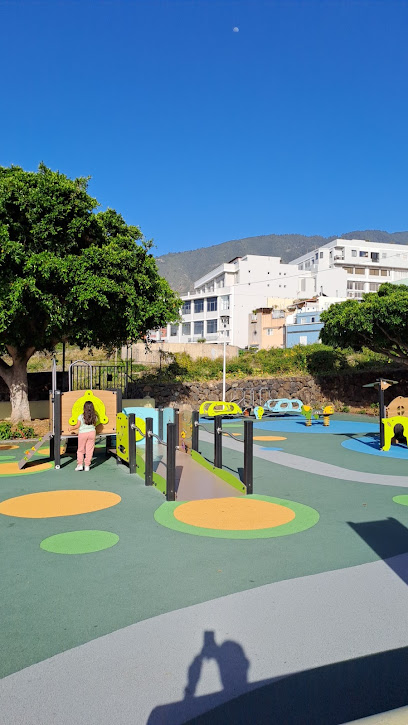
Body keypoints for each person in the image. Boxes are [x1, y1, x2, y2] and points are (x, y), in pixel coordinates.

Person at [70, 401, 98, 471]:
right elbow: (94, 424)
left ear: (84, 408)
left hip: (83, 434)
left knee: (80, 450)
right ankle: (87, 465)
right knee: (89, 450)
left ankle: (80, 465)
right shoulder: (95, 416)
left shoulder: (81, 416)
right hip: (92, 433)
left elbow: (77, 426)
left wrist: (71, 428)